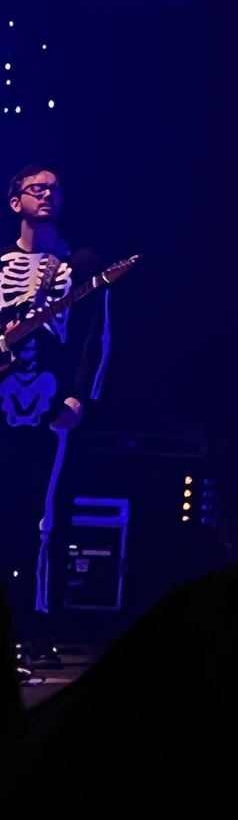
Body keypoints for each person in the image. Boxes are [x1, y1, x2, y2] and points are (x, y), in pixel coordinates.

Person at [0, 164, 109, 650]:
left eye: (54, 190)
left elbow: (95, 337)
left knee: (43, 517)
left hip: (48, 405)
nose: (47, 195)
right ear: (15, 200)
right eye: (36, 189)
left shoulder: (78, 264)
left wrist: (79, 394)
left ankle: (35, 624)